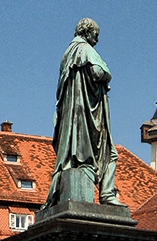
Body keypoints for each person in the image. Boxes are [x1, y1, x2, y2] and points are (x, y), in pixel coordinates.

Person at [47, 17, 122, 207]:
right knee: (110, 153)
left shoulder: (67, 54)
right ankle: (106, 194)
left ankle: (106, 193)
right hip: (88, 116)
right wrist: (108, 74)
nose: (97, 40)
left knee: (101, 154)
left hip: (73, 117)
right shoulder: (85, 49)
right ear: (87, 32)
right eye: (96, 35)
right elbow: (97, 72)